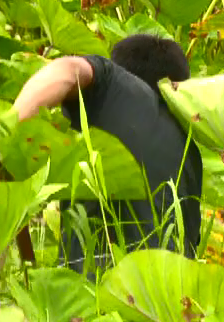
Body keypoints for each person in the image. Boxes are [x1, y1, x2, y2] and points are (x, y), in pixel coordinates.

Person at [11, 34, 203, 274]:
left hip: (90, 299)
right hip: (166, 305)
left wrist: (10, 133)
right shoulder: (191, 154)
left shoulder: (118, 88)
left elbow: (65, 70)